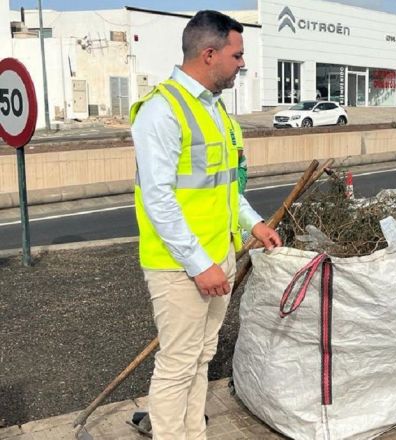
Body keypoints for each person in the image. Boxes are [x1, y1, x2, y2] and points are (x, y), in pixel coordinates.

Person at [130, 10, 281, 439]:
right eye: (237, 55)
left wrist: (253, 224)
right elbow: (158, 200)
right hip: (180, 266)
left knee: (200, 358)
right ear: (210, 54)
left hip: (217, 257)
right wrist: (199, 265)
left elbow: (225, 186)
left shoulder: (215, 110)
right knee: (178, 364)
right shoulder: (162, 111)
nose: (242, 64)